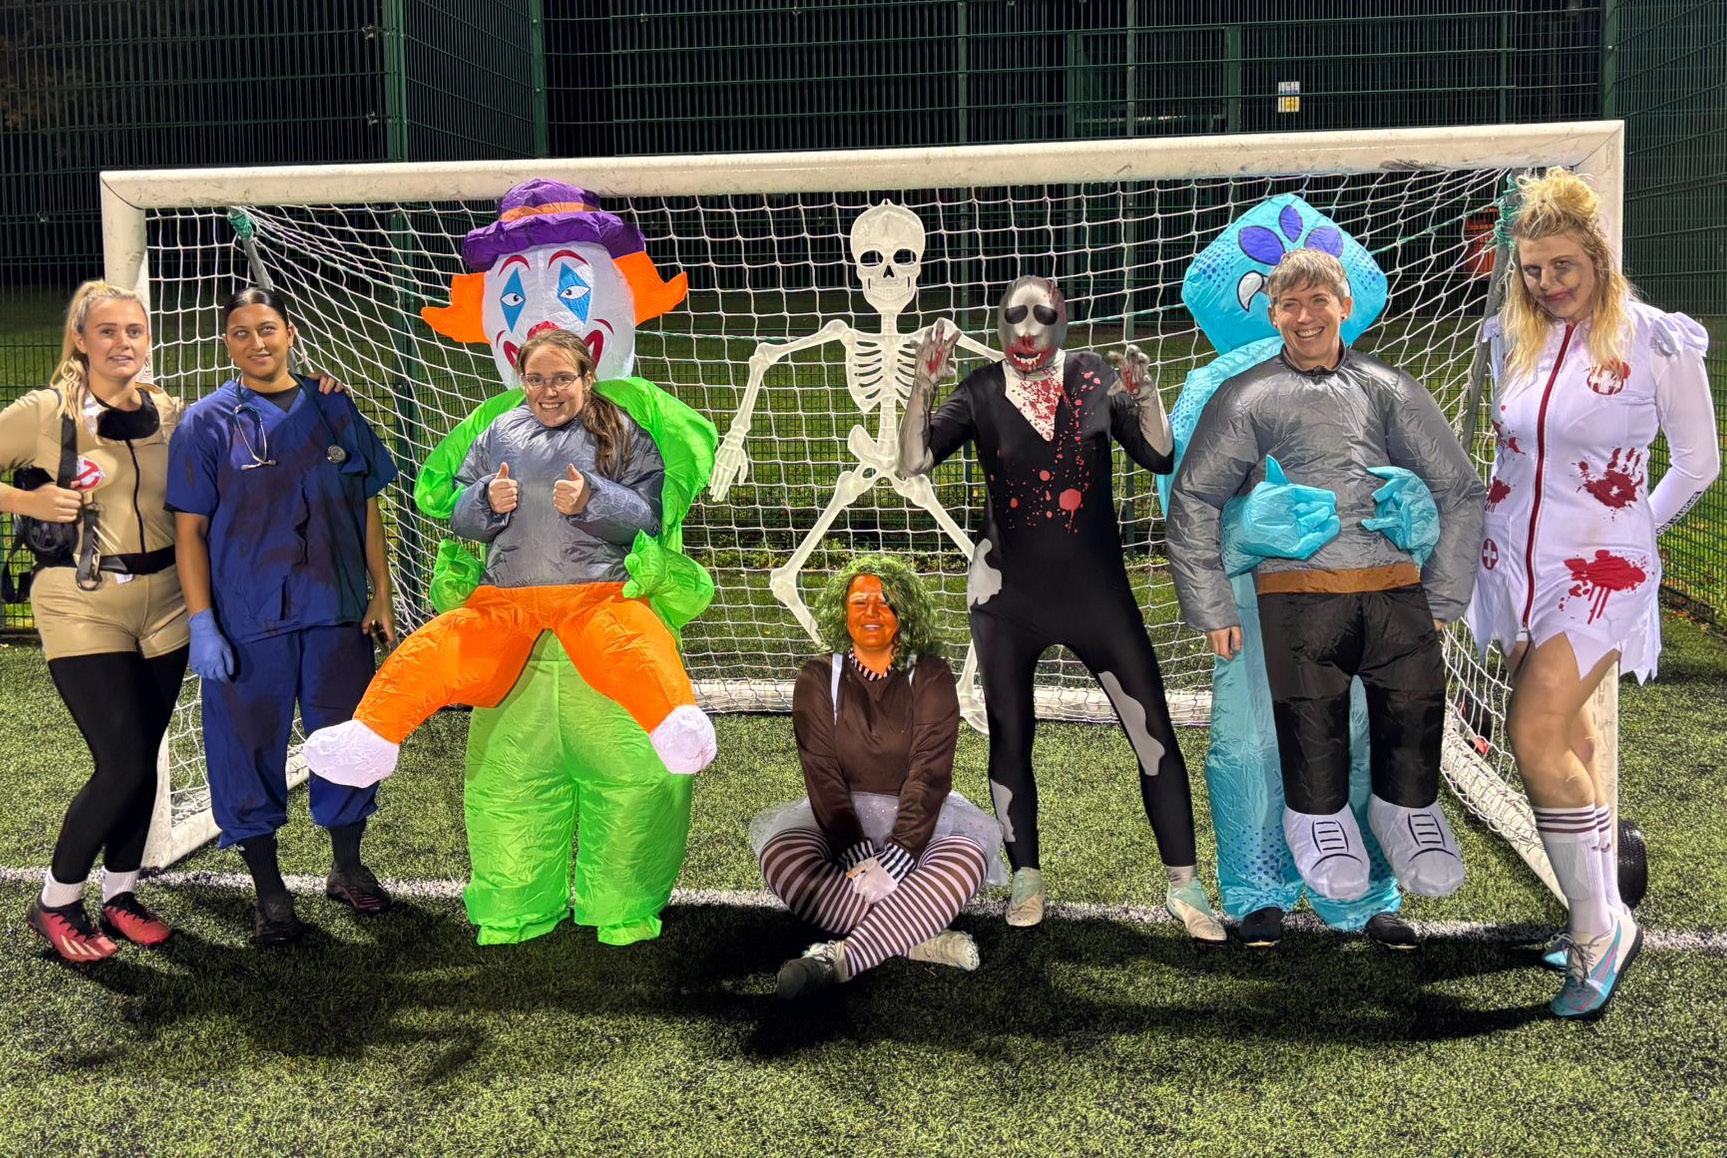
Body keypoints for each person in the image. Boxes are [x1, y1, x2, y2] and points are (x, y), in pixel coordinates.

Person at [899, 277, 1226, 945]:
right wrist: (921, 389)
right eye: (1013, 316)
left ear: (1063, 320)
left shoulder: (1094, 377)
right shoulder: (980, 389)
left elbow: (1159, 454)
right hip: (1005, 600)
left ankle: (1184, 884)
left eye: (1040, 315)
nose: (1026, 328)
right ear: (997, 324)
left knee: (1153, 735)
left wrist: (1146, 398)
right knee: (1010, 737)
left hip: (1096, 598)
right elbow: (912, 462)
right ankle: (1026, 876)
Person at [1465, 168, 1720, 1018]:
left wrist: (1630, 530)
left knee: (1532, 731)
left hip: (1600, 574)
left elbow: (1698, 464)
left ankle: (1595, 930)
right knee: (1566, 732)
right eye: (1532, 269)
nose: (1547, 284)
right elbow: (1506, 452)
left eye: (1563, 266)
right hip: (1513, 566)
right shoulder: (1508, 338)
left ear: (1599, 257)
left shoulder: (1655, 341)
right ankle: (1604, 905)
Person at [1162, 195, 1445, 951]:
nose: (1302, 313)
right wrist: (1237, 540)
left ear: (1347, 300)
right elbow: (1183, 497)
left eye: (1319, 295)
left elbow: (1427, 482)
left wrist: (1414, 517)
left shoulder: (1379, 384)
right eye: (1283, 297)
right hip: (1258, 597)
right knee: (1253, 737)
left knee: (1361, 727)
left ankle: (1367, 892)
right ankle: (1259, 888)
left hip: (1364, 590)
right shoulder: (1216, 386)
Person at [302, 328, 716, 786]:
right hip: (505, 596)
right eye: (536, 379)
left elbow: (649, 518)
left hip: (597, 592)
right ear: (522, 380)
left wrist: (593, 500)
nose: (548, 391)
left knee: (632, 643)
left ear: (587, 377)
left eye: (562, 378)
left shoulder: (620, 430)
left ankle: (675, 725)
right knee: (438, 647)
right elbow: (461, 518)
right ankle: (371, 738)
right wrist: (484, 499)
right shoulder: (500, 430)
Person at [167, 286, 398, 946]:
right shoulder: (206, 423)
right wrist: (202, 621)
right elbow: (189, 531)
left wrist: (381, 591)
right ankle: (269, 894)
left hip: (335, 612)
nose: (256, 342)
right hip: (248, 619)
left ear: (290, 333)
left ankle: (347, 867)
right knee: (246, 752)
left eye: (266, 328)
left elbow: (366, 505)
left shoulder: (332, 405)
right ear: (226, 344)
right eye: (241, 332)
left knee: (347, 740)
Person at [0, 282, 183, 961]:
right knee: (122, 759)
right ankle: (55, 902)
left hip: (168, 603)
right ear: (79, 339)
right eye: (106, 331)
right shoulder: (45, 412)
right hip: (82, 600)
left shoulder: (166, 411)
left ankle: (121, 894)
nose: (122, 343)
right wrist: (26, 499)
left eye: (134, 331)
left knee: (146, 758)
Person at [753, 555, 1007, 998]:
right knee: (781, 857)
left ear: (904, 612)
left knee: (967, 858)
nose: (872, 612)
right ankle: (918, 938)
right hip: (839, 821)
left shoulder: (930, 674)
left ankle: (838, 961)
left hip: (921, 822)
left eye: (885, 602)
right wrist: (854, 852)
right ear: (842, 611)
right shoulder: (818, 676)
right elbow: (821, 772)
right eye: (859, 602)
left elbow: (929, 774)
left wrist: (897, 859)